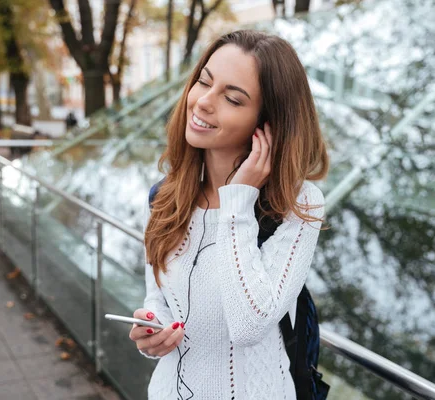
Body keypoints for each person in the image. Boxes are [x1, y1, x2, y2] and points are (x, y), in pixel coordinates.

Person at [129, 30, 329, 399]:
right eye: (204, 82)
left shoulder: (297, 205)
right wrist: (151, 334)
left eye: (232, 98)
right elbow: (158, 299)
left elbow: (248, 324)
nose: (203, 102)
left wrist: (237, 200)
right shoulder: (165, 196)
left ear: (267, 123)